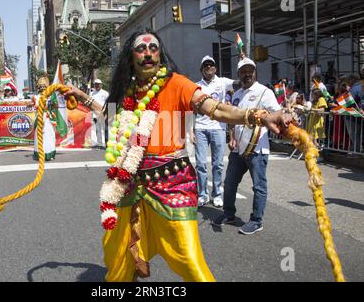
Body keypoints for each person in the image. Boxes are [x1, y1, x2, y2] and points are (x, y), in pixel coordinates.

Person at [62, 30, 291, 281]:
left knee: (190, 260)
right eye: (141, 48)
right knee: (115, 255)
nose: (148, 52)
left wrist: (259, 116)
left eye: (153, 47)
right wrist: (82, 97)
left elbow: (216, 110)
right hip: (130, 182)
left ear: (160, 54)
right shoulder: (127, 91)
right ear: (130, 57)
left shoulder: (177, 83)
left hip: (171, 182)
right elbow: (110, 115)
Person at [213, 57, 282, 235]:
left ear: (255, 72)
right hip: (238, 149)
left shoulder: (264, 92)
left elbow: (277, 112)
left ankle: (256, 220)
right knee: (229, 184)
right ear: (238, 74)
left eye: (250, 71)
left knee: (259, 186)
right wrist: (231, 137)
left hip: (257, 149)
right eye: (243, 72)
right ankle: (229, 214)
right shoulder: (236, 95)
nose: (247, 74)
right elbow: (233, 120)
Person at [191, 55, 238, 208]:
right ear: (201, 70)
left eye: (211, 65)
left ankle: (217, 194)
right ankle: (203, 194)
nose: (209, 68)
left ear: (215, 68)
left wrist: (243, 60)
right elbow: (191, 110)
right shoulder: (196, 86)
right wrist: (191, 130)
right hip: (200, 128)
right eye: (206, 66)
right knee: (201, 164)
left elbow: (238, 83)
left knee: (218, 164)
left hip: (218, 128)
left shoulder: (223, 82)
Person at [31, 76, 67, 161]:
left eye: (44, 86)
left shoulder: (51, 96)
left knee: (48, 135)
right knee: (39, 135)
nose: (42, 88)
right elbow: (32, 104)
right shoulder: (36, 96)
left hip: (48, 118)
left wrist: (54, 104)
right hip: (39, 117)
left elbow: (56, 105)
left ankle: (49, 154)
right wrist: (32, 104)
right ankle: (39, 154)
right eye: (41, 86)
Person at [89, 78, 109, 148]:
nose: (97, 86)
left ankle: (103, 144)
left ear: (101, 85)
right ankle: (98, 143)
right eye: (96, 84)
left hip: (102, 113)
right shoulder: (91, 93)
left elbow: (108, 102)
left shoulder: (105, 93)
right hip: (94, 113)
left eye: (98, 84)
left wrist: (106, 112)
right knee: (96, 129)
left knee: (102, 129)